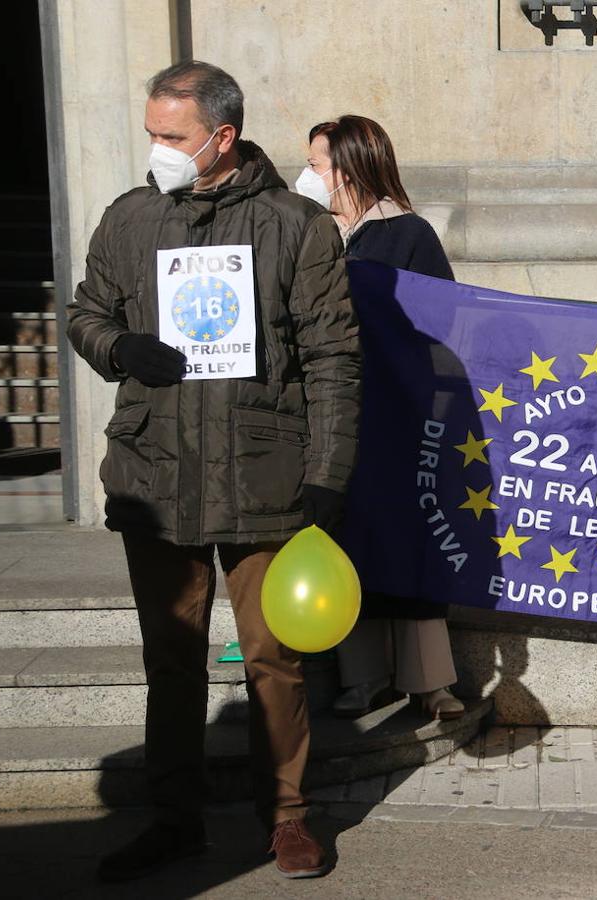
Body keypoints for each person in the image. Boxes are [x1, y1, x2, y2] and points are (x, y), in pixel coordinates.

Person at [67, 61, 358, 881]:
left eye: (174, 136)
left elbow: (335, 359)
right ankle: (174, 822)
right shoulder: (129, 220)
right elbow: (86, 313)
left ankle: (290, 817)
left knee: (274, 659)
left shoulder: (297, 226)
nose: (157, 149)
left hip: (266, 477)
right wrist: (120, 346)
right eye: (153, 132)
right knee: (172, 661)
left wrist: (329, 474)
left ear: (221, 138)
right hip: (156, 474)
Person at [295, 114, 465, 721]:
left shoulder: (408, 233)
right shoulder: (305, 232)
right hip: (330, 417)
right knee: (347, 537)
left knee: (411, 539)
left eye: (315, 164)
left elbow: (443, 318)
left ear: (348, 167)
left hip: (400, 417)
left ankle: (431, 681)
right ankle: (362, 678)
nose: (307, 174)